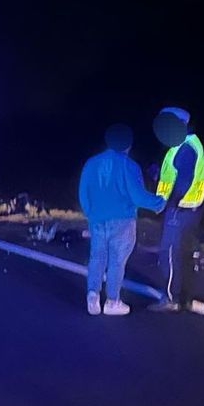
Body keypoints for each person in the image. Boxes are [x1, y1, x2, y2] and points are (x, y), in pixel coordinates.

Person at [78, 124, 165, 315]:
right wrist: (159, 203)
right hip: (122, 221)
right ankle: (112, 302)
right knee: (117, 260)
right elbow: (138, 196)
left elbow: (83, 192)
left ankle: (92, 294)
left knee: (97, 257)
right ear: (128, 144)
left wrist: (90, 213)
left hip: (97, 219)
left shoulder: (92, 163)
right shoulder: (129, 165)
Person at [150, 107, 204, 312]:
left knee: (169, 253)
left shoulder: (185, 147)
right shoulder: (188, 144)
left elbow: (184, 179)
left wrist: (172, 203)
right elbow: (177, 175)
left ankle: (171, 298)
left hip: (180, 210)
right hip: (191, 209)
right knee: (184, 254)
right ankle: (184, 298)